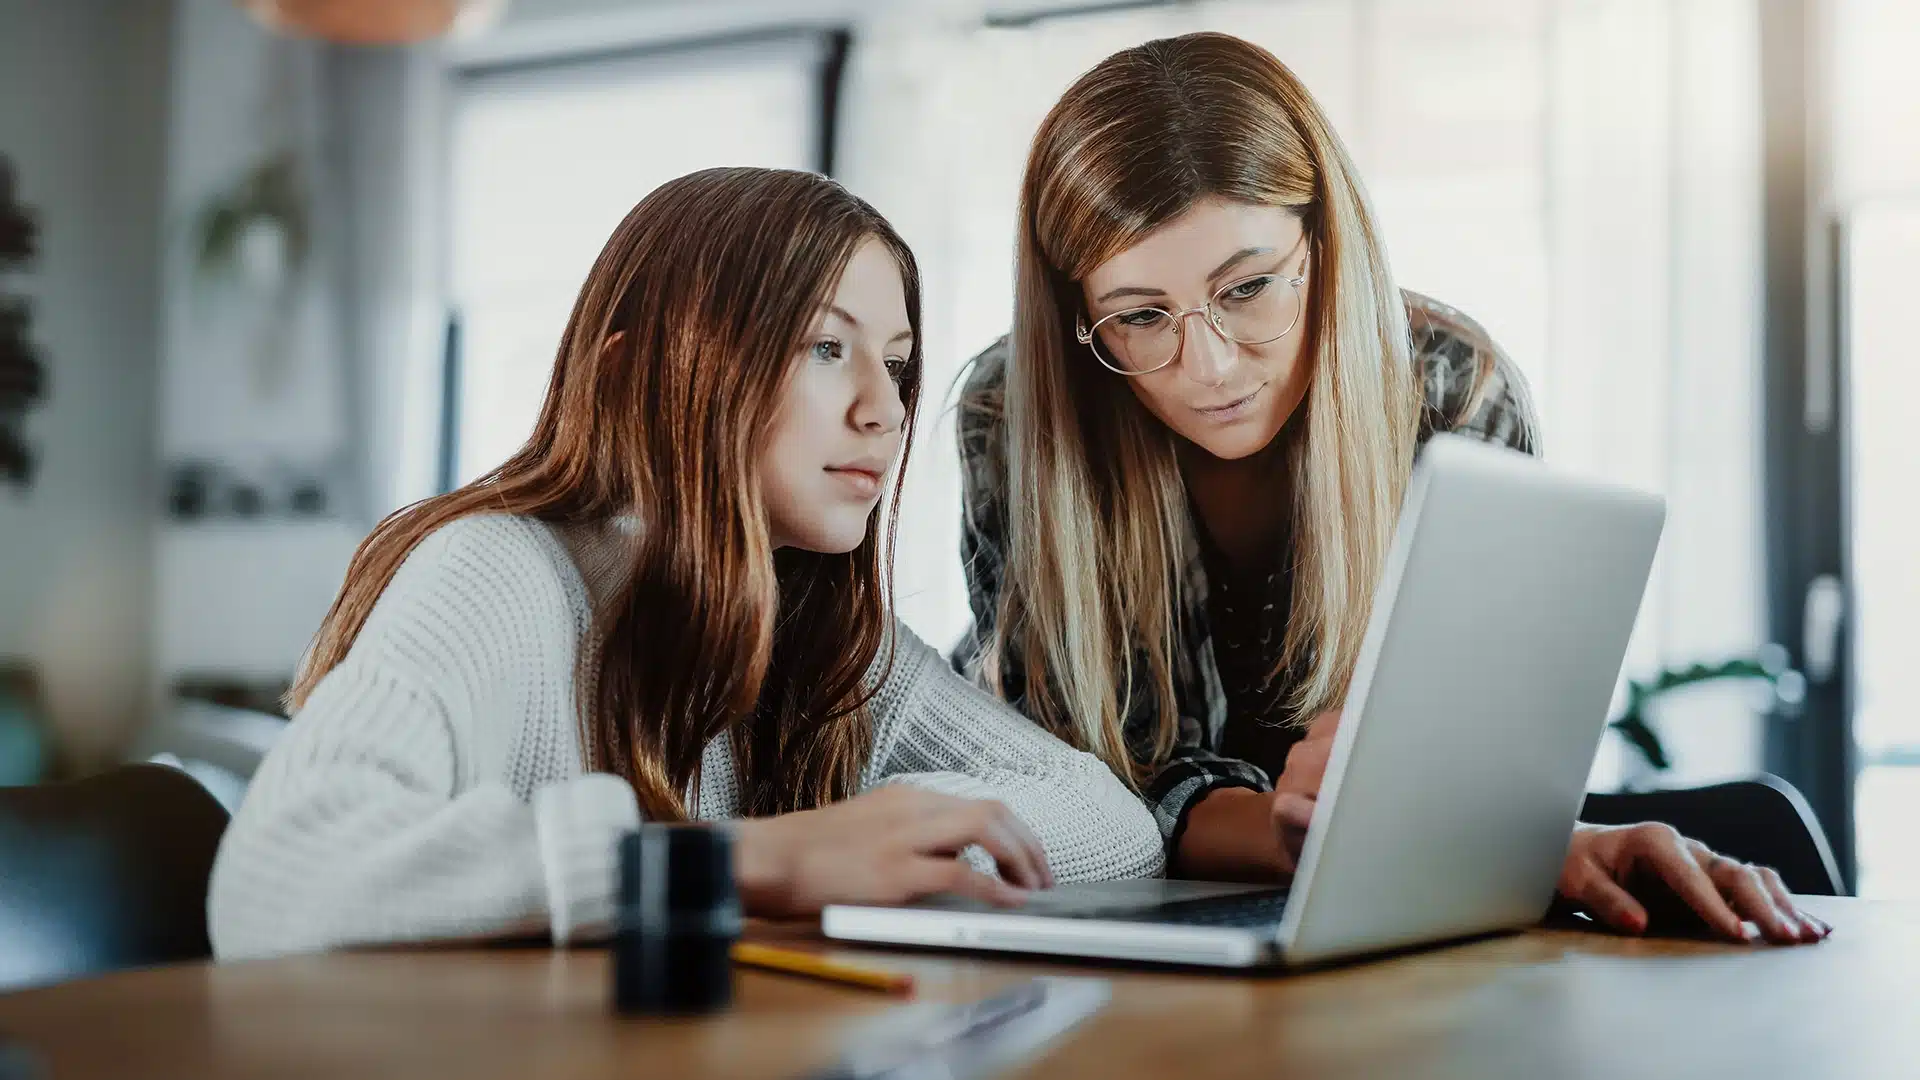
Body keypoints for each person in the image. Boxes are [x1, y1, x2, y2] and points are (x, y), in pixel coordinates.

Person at [953, 32, 1827, 945]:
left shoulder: (1452, 389)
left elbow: (1479, 763)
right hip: (1124, 941)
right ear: (1079, 316)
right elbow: (1082, 789)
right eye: (1138, 317)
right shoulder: (1014, 415)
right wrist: (1334, 837)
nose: (1208, 366)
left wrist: (1438, 829)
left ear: (1326, 246)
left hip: (1394, 928)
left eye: (1249, 287)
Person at [208, 167, 1163, 961]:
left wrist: (899, 830)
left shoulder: (819, 633)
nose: (886, 410)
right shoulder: (496, 571)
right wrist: (746, 860)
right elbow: (278, 881)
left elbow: (1117, 828)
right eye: (827, 347)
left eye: (899, 361)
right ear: (637, 372)